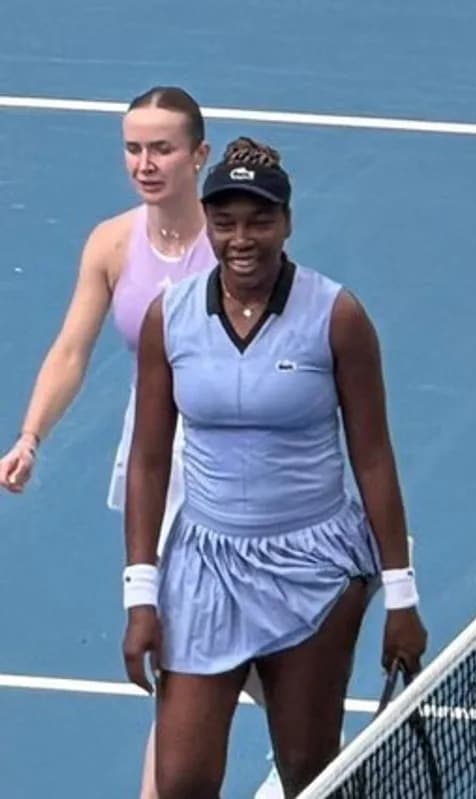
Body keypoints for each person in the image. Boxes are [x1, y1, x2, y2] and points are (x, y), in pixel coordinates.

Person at [120, 136, 428, 798]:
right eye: (225, 221)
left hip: (312, 567)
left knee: (308, 771)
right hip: (203, 567)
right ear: (207, 223)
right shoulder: (168, 319)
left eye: (260, 220)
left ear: (287, 223)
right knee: (181, 781)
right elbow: (147, 460)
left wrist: (401, 596)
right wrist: (141, 593)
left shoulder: (337, 317)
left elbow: (373, 457)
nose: (242, 239)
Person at [0, 85, 285, 799]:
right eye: (133, 149)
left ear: (199, 155)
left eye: (162, 148)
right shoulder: (111, 243)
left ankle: (309, 749)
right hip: (157, 463)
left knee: (236, 637)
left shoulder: (235, 246)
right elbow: (72, 348)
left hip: (236, 460)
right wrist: (31, 435)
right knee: (185, 641)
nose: (145, 163)